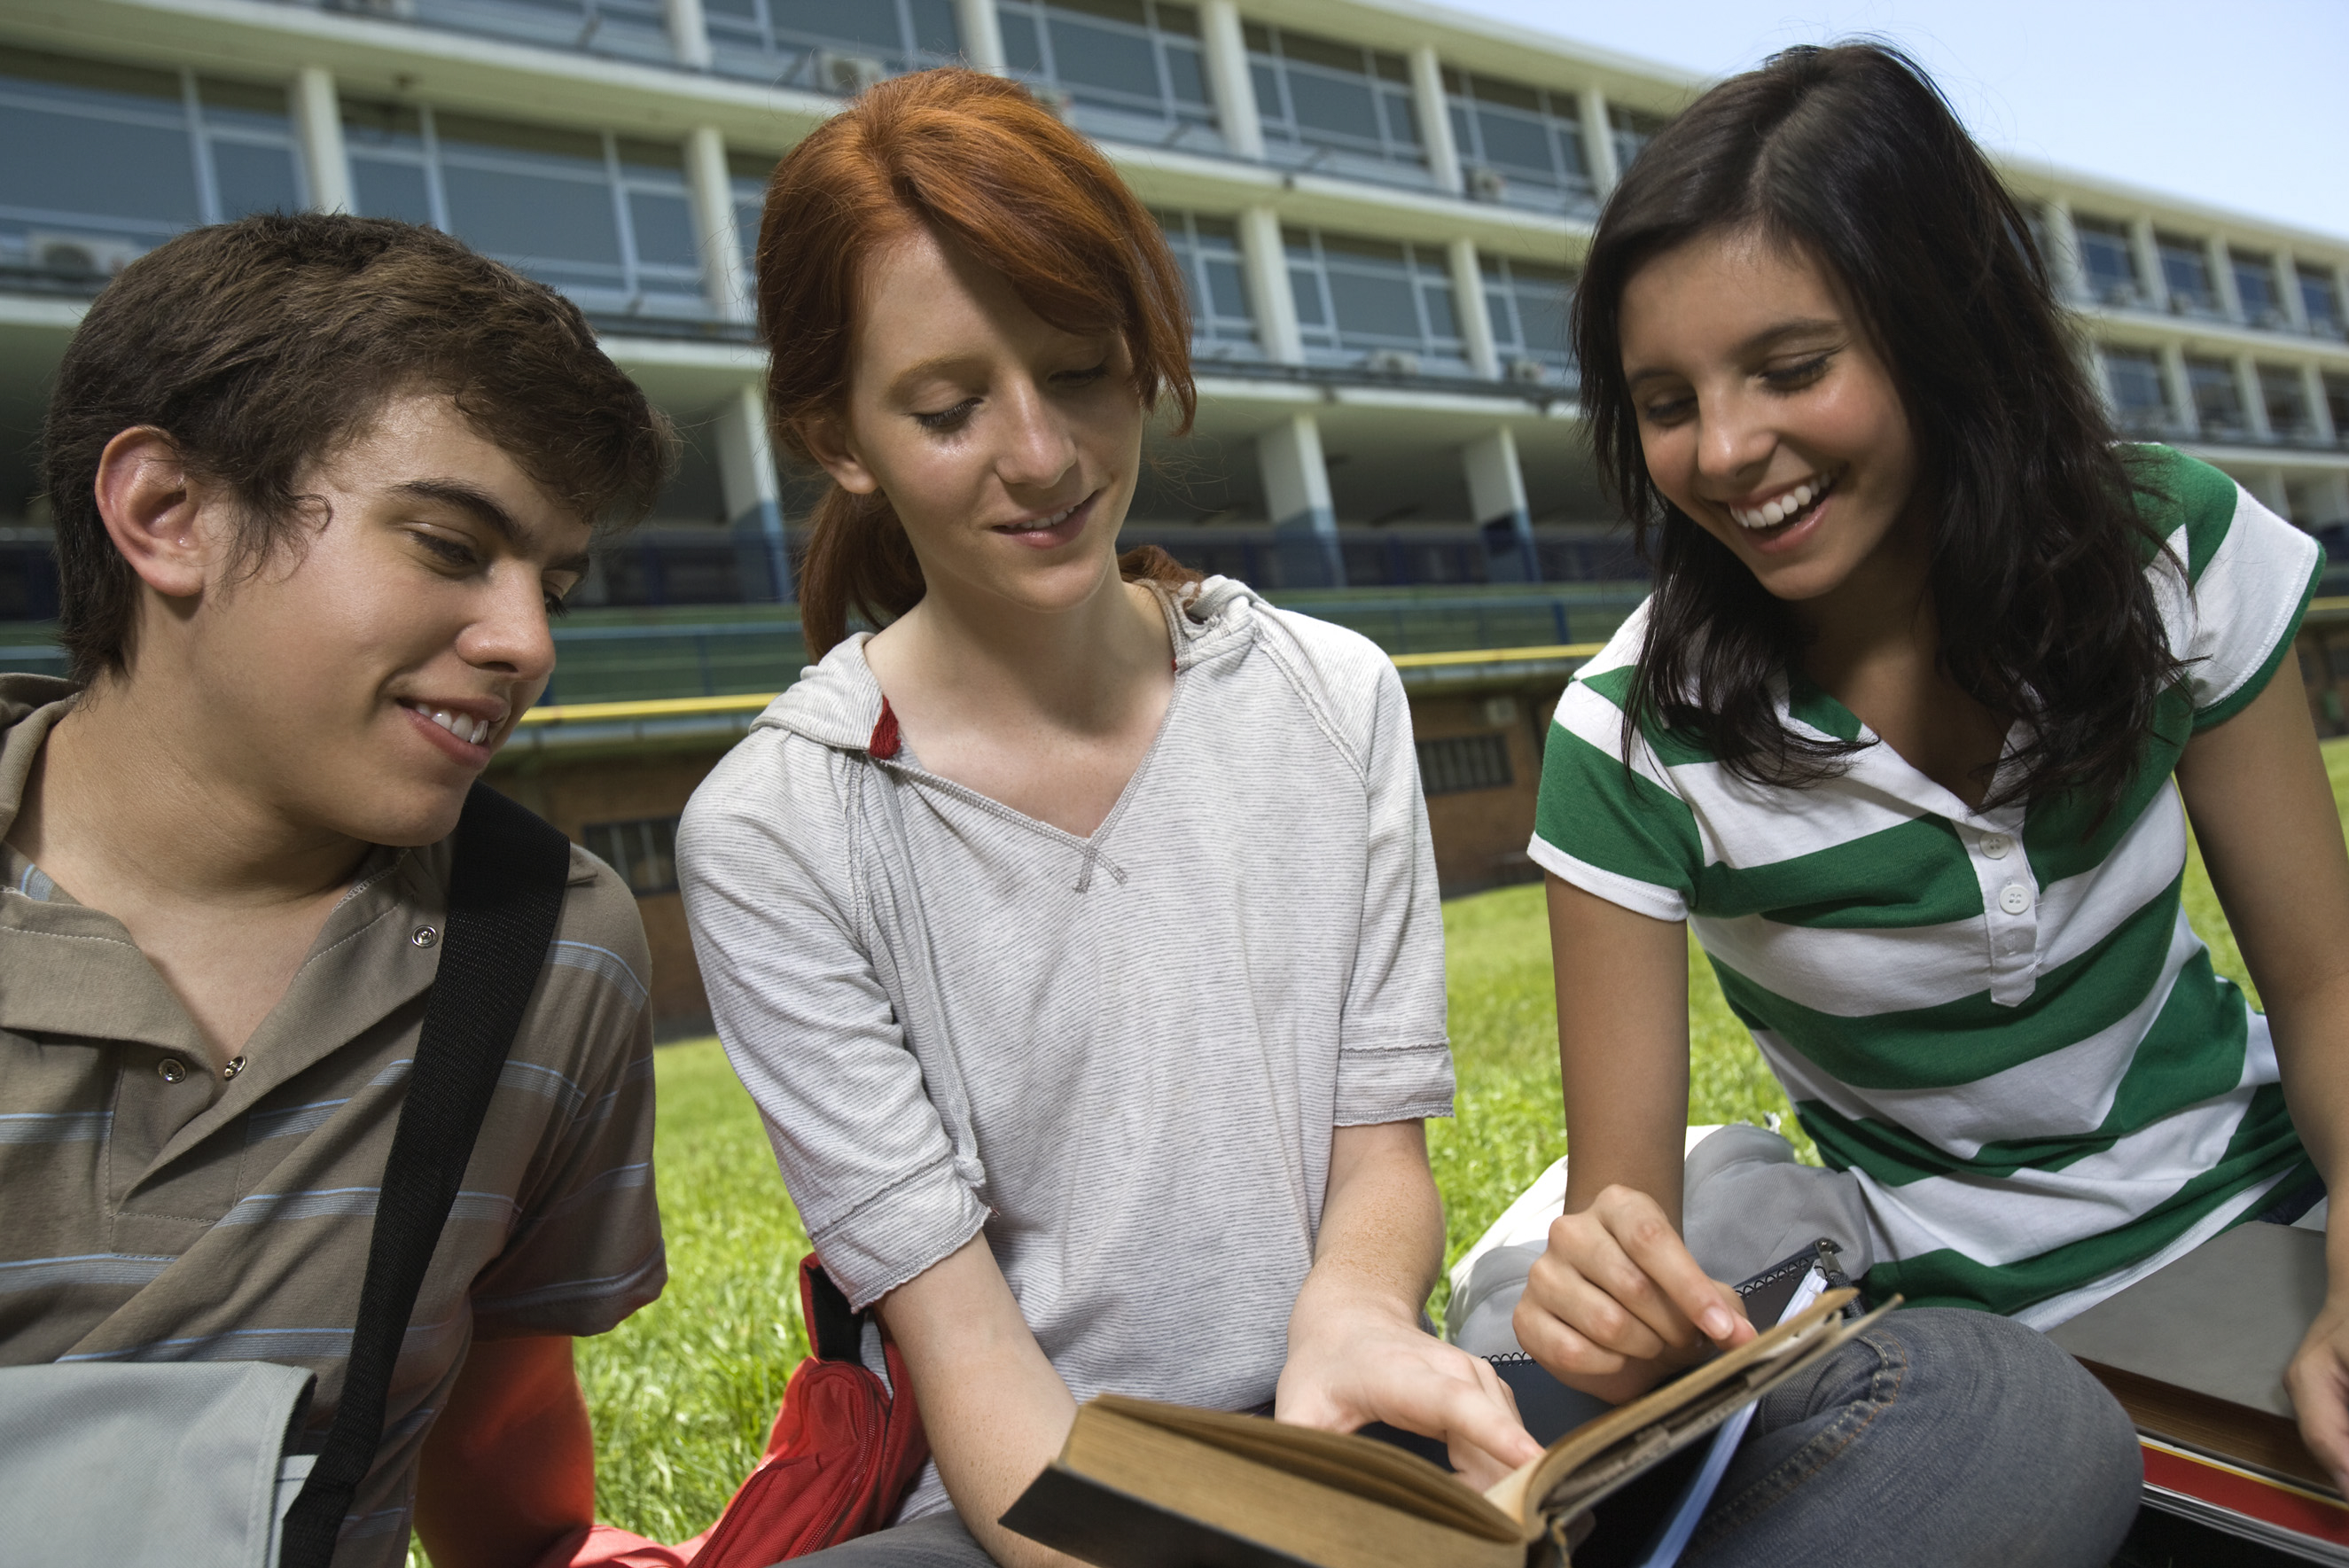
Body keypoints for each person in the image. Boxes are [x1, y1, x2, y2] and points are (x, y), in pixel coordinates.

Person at [675, 67, 1542, 1567]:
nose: (1040, 453)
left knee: (1934, 1394)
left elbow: (1378, 1160)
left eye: (1080, 370)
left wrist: (1350, 1318)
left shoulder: (1332, 696)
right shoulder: (774, 833)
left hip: (1341, 1422)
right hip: (1033, 1501)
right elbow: (965, 1354)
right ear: (837, 435)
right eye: (947, 408)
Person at [1502, 38, 2344, 1558]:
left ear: (1940, 325)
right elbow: (1622, 1227)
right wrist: (1609, 1302)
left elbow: (2327, 979)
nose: (1724, 451)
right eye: (1665, 400)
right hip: (1956, 1342)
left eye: (1790, 369)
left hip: (2269, 1209)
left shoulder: (2171, 549)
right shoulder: (1624, 740)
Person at [0, 213, 675, 1566]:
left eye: (552, 585)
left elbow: (500, 1438)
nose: (527, 643)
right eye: (447, 544)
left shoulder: (551, 947)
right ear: (167, 514)